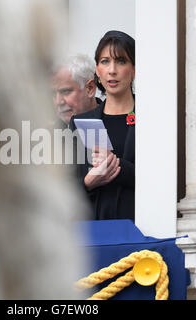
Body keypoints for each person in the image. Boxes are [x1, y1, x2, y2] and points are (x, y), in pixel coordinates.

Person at [70, 30, 135, 221]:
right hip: (97, 231)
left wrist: (118, 166)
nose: (112, 70)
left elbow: (162, 178)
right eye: (105, 61)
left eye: (121, 61)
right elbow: (68, 188)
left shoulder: (151, 118)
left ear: (134, 69)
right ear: (97, 70)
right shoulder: (81, 122)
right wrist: (88, 182)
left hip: (141, 228)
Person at [51, 54, 101, 128]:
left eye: (65, 91)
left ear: (90, 88)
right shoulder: (47, 133)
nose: (58, 102)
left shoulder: (118, 127)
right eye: (53, 94)